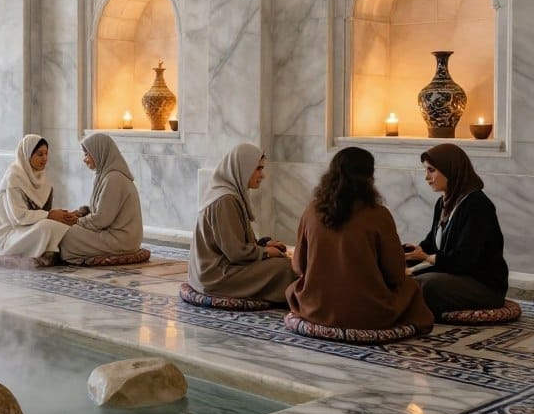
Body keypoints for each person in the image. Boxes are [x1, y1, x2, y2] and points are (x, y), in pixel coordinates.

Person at [286, 147, 433, 333]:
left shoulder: (311, 212)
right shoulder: (379, 215)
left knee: (293, 289)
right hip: (367, 313)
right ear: (369, 179)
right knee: (411, 288)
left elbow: (298, 266)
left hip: (316, 308)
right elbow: (395, 274)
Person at [405, 144, 509, 318]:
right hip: (452, 274)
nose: (426, 178)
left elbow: (464, 260)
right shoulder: (444, 202)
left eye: (431, 170)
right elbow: (432, 243)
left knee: (427, 284)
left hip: (481, 284)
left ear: (450, 170)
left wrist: (425, 258)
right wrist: (411, 253)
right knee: (405, 270)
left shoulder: (477, 205)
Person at [187, 143, 294, 303]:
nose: (262, 175)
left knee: (283, 263)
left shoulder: (229, 194)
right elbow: (236, 253)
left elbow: (233, 244)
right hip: (216, 276)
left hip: (216, 269)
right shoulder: (225, 200)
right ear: (242, 169)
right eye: (258, 169)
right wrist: (266, 252)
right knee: (285, 268)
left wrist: (263, 244)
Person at [59, 133, 143, 264]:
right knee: (65, 230)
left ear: (99, 152)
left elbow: (102, 220)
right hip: (111, 234)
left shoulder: (114, 179)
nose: (84, 159)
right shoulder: (105, 176)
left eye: (87, 154)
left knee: (67, 235)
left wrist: (77, 221)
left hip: (121, 239)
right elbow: (98, 213)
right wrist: (80, 215)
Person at [0, 135, 76, 257]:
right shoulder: (14, 178)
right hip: (10, 235)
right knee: (46, 226)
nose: (45, 158)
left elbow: (45, 211)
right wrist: (49, 215)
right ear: (27, 155)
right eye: (40, 154)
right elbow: (19, 217)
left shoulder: (41, 177)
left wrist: (63, 215)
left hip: (29, 228)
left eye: (46, 154)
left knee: (61, 224)